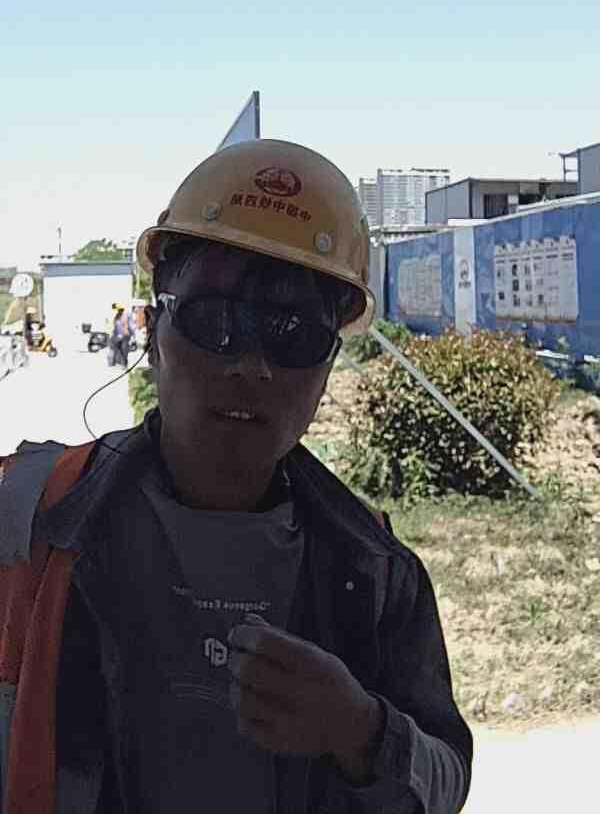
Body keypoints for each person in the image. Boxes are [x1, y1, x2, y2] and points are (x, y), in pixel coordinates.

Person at [0, 139, 472, 813]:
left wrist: (361, 731)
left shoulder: (371, 566)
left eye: (293, 332)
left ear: (326, 369)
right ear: (154, 332)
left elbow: (447, 781)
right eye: (214, 320)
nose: (250, 366)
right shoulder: (27, 520)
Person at [109, 301, 132, 367]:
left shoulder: (125, 316)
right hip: (117, 336)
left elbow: (127, 326)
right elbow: (114, 327)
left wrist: (122, 334)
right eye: (114, 309)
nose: (114, 311)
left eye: (115, 309)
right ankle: (115, 361)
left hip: (125, 335)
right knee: (114, 346)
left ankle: (123, 364)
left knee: (124, 348)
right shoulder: (116, 317)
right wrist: (112, 333)